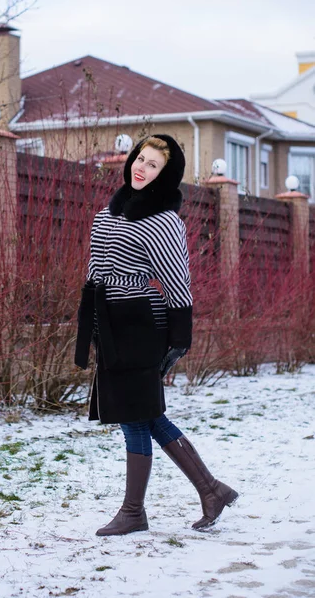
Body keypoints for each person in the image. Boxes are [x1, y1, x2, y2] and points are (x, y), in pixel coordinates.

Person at [75, 134, 238, 535]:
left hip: (142, 324)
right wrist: (91, 326)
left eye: (152, 165)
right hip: (111, 323)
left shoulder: (164, 221)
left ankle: (135, 512)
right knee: (146, 414)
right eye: (140, 159)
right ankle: (210, 489)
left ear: (165, 176)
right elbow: (94, 275)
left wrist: (179, 340)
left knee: (137, 416)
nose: (141, 167)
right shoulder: (105, 215)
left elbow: (177, 283)